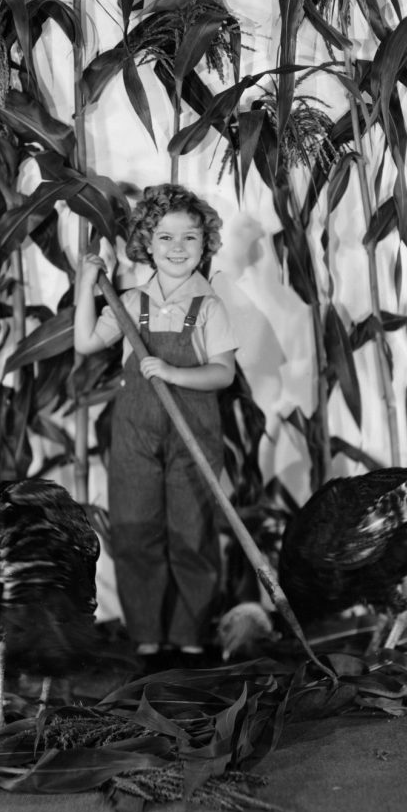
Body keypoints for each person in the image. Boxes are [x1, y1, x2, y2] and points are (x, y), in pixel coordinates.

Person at [74, 183, 237, 671]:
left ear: (205, 244)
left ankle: (189, 638)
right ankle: (147, 636)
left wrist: (172, 373)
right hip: (135, 433)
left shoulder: (208, 307)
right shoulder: (129, 302)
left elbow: (223, 373)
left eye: (189, 238)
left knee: (192, 530)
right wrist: (87, 284)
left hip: (194, 433)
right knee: (136, 528)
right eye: (165, 237)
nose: (177, 248)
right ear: (147, 242)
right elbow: (86, 342)